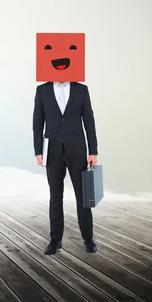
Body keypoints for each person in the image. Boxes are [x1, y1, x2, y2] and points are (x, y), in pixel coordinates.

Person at [33, 81, 98, 255]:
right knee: (55, 197)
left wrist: (93, 150)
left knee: (83, 197)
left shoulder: (81, 89)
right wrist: (38, 151)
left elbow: (89, 120)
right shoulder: (42, 90)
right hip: (52, 152)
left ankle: (88, 239)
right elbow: (37, 122)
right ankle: (55, 240)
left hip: (77, 150)